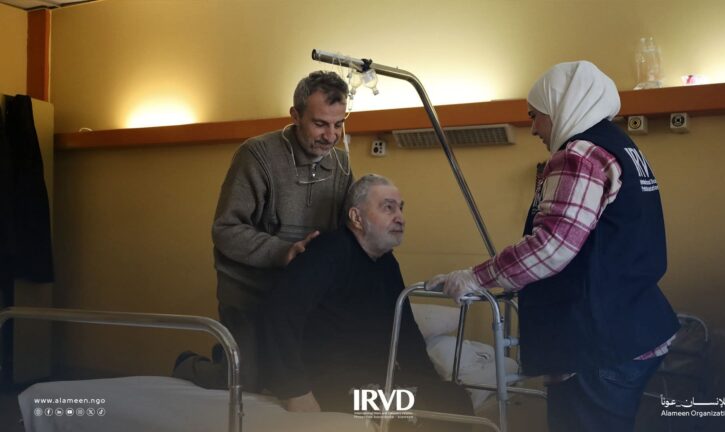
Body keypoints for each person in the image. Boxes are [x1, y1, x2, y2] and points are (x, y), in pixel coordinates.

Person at [428, 61, 680, 432]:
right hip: (634, 325)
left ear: (561, 106)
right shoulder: (623, 148)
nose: (533, 129)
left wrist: (475, 277)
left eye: (535, 116)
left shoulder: (579, 154)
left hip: (598, 342)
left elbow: (551, 247)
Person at [173, 71, 353, 392]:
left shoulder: (341, 165)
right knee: (245, 382)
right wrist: (283, 251)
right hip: (250, 290)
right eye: (320, 124)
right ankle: (188, 365)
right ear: (295, 115)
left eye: (338, 124)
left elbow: (342, 234)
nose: (331, 136)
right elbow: (226, 229)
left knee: (305, 379)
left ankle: (229, 358)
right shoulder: (257, 155)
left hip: (302, 293)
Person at [257, 174, 474, 431]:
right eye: (388, 208)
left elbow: (405, 331)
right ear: (356, 217)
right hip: (329, 382)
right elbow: (279, 312)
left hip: (372, 378)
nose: (400, 218)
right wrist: (295, 391)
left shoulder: (387, 262)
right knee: (420, 410)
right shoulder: (328, 252)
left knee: (453, 398)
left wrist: (429, 380)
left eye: (400, 208)